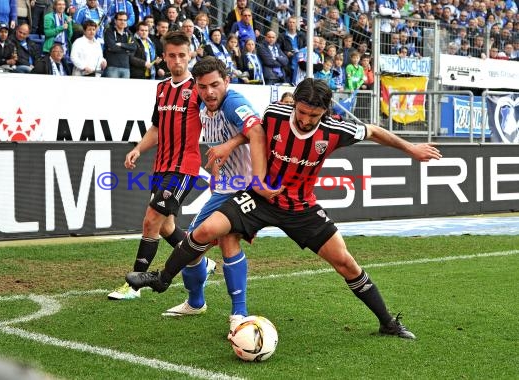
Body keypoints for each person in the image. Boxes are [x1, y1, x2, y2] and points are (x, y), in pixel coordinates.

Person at [126, 78, 443, 339]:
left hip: (300, 206)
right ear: (295, 105)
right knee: (208, 230)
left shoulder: (336, 130)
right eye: (302, 112)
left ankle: (387, 322)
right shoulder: (276, 113)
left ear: (324, 112)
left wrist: (411, 148)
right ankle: (163, 278)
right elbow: (254, 132)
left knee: (345, 262)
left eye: (313, 115)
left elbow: (373, 130)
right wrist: (239, 156)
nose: (305, 120)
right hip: (261, 198)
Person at [107, 30, 208, 301]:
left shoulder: (198, 89)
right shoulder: (162, 88)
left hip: (184, 167)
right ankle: (200, 260)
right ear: (164, 57)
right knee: (165, 226)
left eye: (182, 55)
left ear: (190, 56)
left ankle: (134, 284)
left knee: (151, 220)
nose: (177, 60)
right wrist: (138, 149)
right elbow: (157, 127)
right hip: (161, 166)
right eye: (172, 55)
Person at [160, 56, 262, 317]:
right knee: (191, 245)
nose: (209, 92)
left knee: (227, 240)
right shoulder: (203, 107)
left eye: (215, 85)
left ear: (227, 81)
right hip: (226, 187)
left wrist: (228, 146)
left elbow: (257, 130)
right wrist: (217, 167)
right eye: (203, 87)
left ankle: (238, 313)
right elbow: (216, 141)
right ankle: (196, 303)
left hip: (248, 188)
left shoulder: (233, 102)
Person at [103, 11, 136, 78]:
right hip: (112, 67)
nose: (123, 22)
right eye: (120, 20)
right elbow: (112, 47)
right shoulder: (109, 31)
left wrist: (121, 44)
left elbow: (134, 47)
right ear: (115, 21)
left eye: (125, 20)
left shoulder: (128, 33)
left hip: (126, 67)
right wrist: (127, 49)